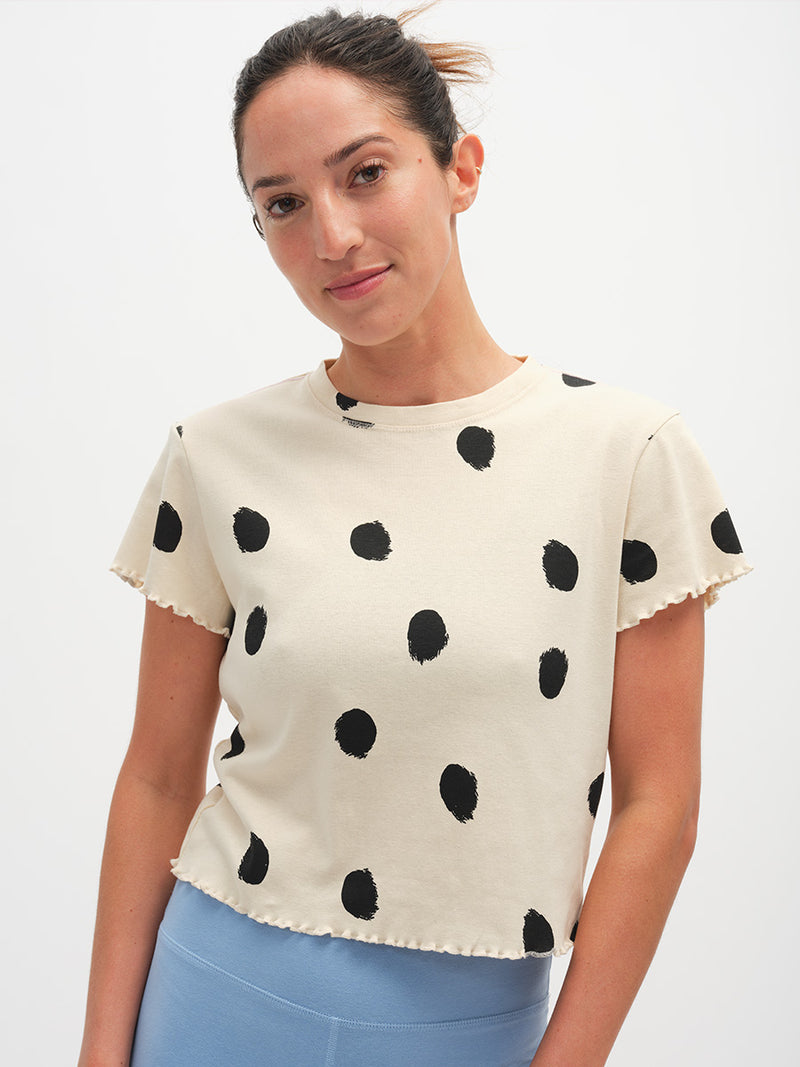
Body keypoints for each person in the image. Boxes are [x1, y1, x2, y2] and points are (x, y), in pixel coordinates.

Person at [78, 7, 752, 1066]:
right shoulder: (215, 456)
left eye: (365, 174)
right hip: (213, 995)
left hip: (465, 1031)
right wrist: (98, 1053)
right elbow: (158, 777)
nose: (332, 238)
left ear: (460, 169)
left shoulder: (626, 457)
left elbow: (658, 807)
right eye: (282, 203)